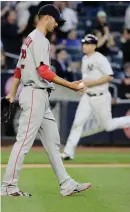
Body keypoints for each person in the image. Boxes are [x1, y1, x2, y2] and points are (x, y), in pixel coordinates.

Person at [0, 5, 91, 197]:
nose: (57, 24)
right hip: (35, 93)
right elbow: (43, 72)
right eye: (56, 20)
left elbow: (18, 70)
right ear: (47, 18)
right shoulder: (40, 39)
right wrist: (70, 85)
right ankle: (8, 186)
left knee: (52, 141)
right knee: (24, 141)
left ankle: (66, 183)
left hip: (37, 94)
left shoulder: (29, 39)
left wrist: (11, 94)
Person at [61, 34, 130, 160]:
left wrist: (89, 84)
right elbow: (86, 78)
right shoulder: (85, 59)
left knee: (108, 126)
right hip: (87, 97)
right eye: (84, 43)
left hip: (101, 97)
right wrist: (83, 88)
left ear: (94, 46)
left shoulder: (100, 58)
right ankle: (68, 153)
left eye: (87, 44)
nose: (84, 46)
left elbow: (109, 76)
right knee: (77, 123)